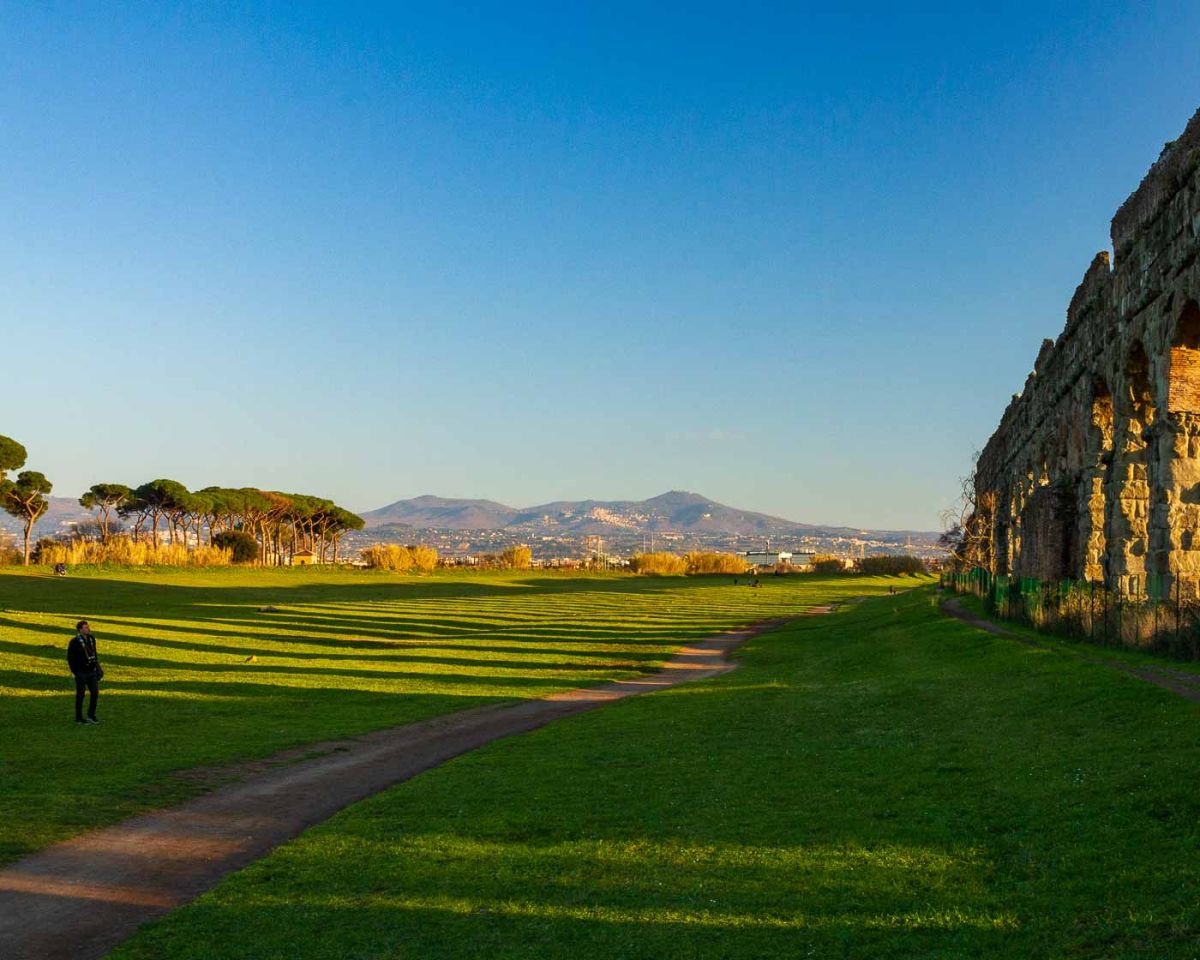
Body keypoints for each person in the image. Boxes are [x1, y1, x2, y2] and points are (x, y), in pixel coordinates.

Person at [67, 620, 103, 725]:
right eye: (85, 628)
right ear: (80, 630)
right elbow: (70, 658)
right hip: (81, 672)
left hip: (91, 671)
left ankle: (91, 715)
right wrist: (75, 671)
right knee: (80, 695)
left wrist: (98, 668)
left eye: (88, 627)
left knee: (95, 693)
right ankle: (79, 718)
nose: (88, 629)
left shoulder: (91, 639)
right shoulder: (74, 642)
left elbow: (94, 654)